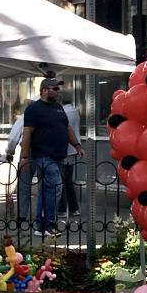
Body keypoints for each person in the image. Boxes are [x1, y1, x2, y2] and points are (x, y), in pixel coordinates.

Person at [19, 76, 83, 237]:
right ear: (44, 90)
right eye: (54, 88)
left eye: (57, 88)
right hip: (42, 155)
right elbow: (27, 133)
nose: (57, 91)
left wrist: (76, 145)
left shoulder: (58, 108)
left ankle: (40, 226)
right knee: (56, 187)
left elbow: (67, 128)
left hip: (58, 155)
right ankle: (49, 224)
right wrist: (25, 157)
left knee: (45, 190)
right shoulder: (34, 109)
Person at [58, 86, 82, 220]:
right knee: (68, 180)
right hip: (72, 149)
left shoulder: (63, 112)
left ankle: (62, 207)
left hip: (65, 149)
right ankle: (74, 207)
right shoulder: (73, 111)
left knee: (62, 180)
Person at [6, 102, 31, 226]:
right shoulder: (44, 116)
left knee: (24, 184)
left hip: (27, 151)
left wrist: (10, 152)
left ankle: (22, 215)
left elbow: (13, 138)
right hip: (44, 151)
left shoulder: (23, 118)